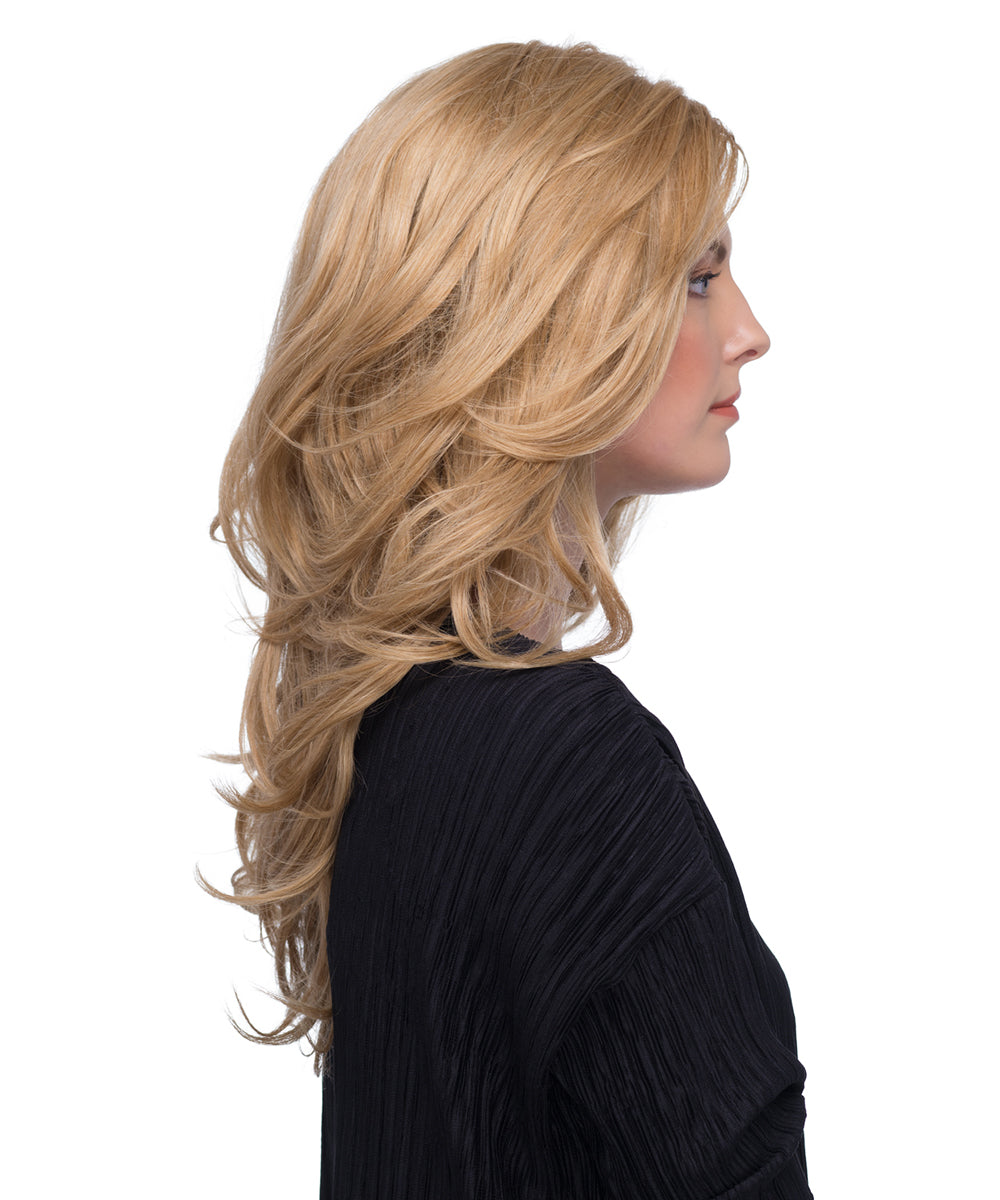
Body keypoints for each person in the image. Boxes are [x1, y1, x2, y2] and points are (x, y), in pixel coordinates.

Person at [206, 41, 812, 1198]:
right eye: (696, 277)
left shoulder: (393, 729)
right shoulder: (568, 761)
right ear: (538, 320)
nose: (748, 328)